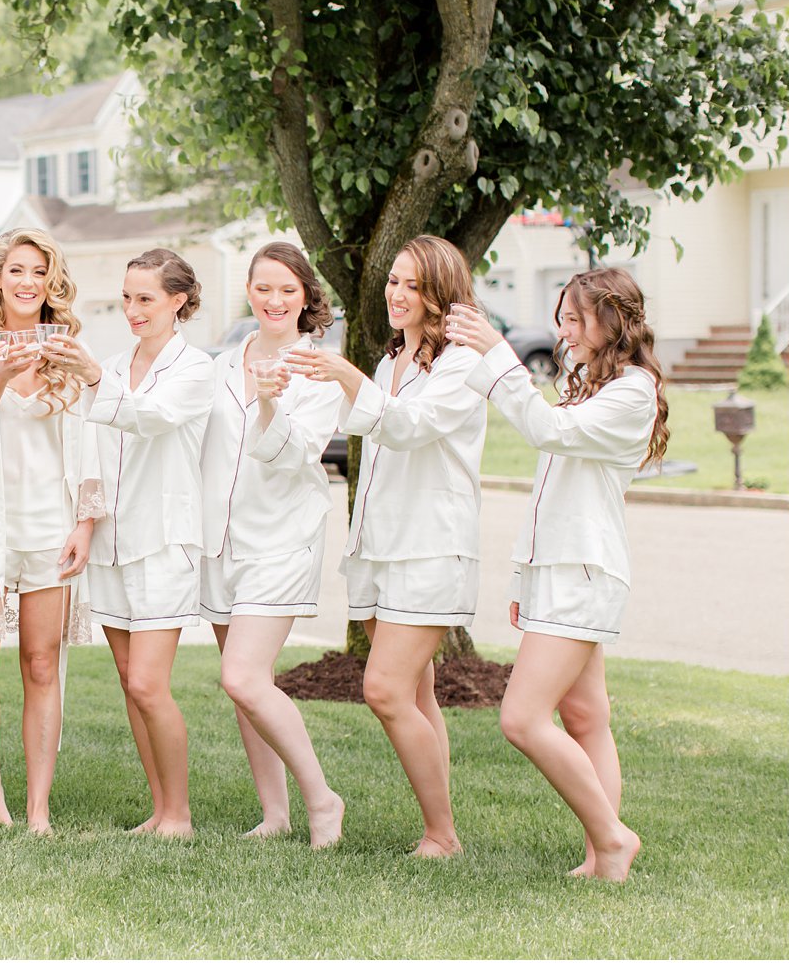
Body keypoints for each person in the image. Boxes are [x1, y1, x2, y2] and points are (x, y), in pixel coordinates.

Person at [446, 268, 667, 882]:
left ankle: (613, 838)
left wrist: (498, 355)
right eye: (562, 318)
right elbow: (549, 492)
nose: (564, 331)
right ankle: (603, 857)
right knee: (586, 716)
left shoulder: (632, 391)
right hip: (557, 571)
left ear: (613, 321)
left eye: (576, 319)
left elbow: (547, 431)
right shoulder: (591, 387)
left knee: (521, 718)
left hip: (584, 572)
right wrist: (524, 580)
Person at [284, 235, 484, 858]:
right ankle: (438, 827)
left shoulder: (461, 363)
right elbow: (364, 431)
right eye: (393, 281)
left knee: (385, 690)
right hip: (378, 545)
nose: (397, 294)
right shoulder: (391, 360)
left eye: (412, 284)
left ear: (440, 294)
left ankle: (443, 834)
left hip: (429, 546)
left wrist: (345, 374)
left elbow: (406, 428)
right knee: (418, 694)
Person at [43, 248, 213, 839]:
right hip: (111, 542)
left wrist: (92, 378)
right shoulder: (114, 363)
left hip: (164, 540)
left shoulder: (196, 369)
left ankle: (181, 816)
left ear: (179, 301)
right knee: (128, 682)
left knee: (148, 682)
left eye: (146, 299)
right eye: (127, 298)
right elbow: (90, 446)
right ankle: (160, 810)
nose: (133, 310)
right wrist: (85, 524)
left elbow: (152, 418)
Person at [0, 228, 104, 833]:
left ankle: (38, 807)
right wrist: (1, 375)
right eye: (16, 270)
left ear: (51, 280)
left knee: (41, 664)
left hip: (50, 526)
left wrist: (85, 524)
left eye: (39, 271)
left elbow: (95, 440)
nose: (28, 282)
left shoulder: (70, 351)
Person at [199, 242, 345, 847]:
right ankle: (275, 813)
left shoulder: (319, 371)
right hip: (219, 540)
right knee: (246, 690)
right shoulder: (218, 364)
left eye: (288, 289)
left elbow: (298, 453)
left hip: (282, 540)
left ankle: (322, 800)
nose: (274, 300)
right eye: (263, 287)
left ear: (307, 295)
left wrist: (267, 401)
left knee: (243, 677)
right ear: (250, 292)